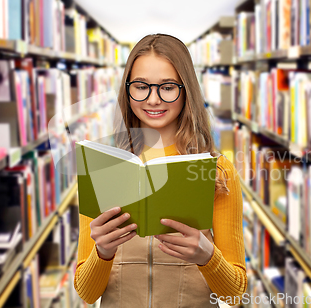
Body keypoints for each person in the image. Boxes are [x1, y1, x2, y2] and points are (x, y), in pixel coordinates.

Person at [74, 33, 247, 307]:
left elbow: (235, 294)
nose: (153, 100)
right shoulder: (102, 167)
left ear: (186, 89)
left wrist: (207, 256)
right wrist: (103, 252)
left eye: (167, 87)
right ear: (127, 89)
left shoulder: (217, 171)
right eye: (141, 86)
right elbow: (86, 293)